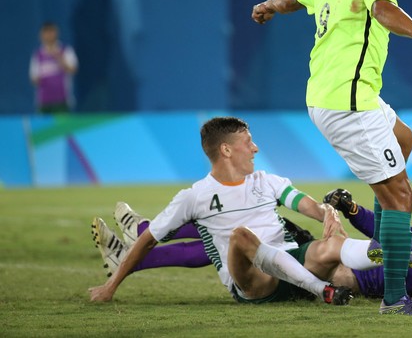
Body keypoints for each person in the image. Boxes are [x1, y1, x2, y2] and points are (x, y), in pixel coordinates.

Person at [251, 0, 412, 315]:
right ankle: (395, 299)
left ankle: (383, 241)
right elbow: (382, 10)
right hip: (349, 105)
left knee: (404, 139)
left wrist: (267, 6)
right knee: (401, 197)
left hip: (340, 96)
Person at [88, 116, 395, 306]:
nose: (256, 148)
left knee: (332, 245)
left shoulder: (267, 181)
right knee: (241, 237)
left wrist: (326, 210)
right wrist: (110, 287)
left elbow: (303, 202)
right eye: (248, 142)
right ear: (226, 150)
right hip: (254, 282)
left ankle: (392, 255)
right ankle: (321, 290)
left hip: (292, 260)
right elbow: (148, 241)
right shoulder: (194, 196)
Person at [92, 188, 412, 301]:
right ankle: (139, 239)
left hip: (343, 273)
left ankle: (142, 237)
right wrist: (353, 209)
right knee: (251, 227)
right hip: (342, 249)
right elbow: (386, 233)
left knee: (238, 234)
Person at [29, 22, 78, 113]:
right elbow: (33, 79)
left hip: (62, 101)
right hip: (44, 102)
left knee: (63, 127)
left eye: (51, 32)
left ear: (56, 33)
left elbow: (73, 69)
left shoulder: (65, 50)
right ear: (41, 35)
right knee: (44, 127)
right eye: (46, 32)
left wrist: (59, 59)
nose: (49, 35)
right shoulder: (38, 54)